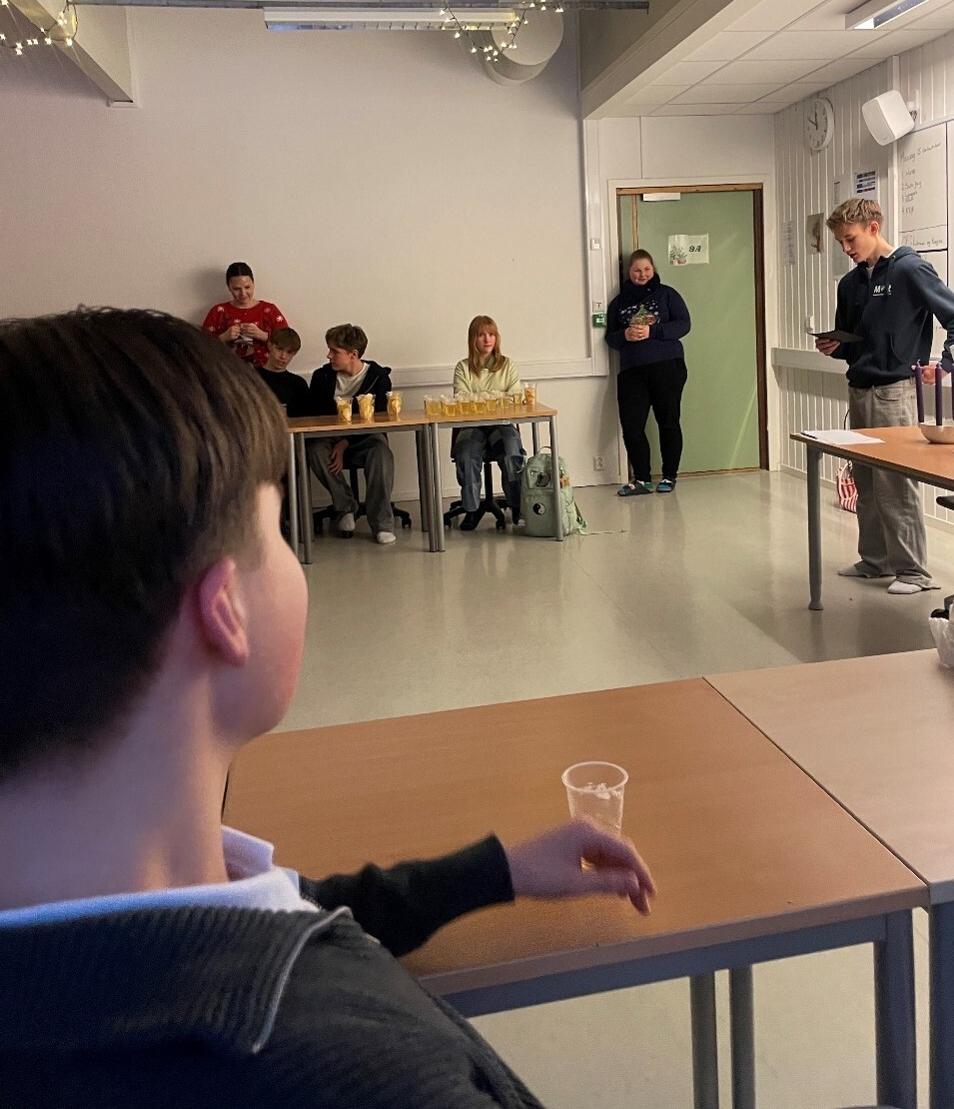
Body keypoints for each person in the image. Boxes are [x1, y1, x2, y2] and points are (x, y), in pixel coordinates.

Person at [0, 307, 656, 1106]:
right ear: (223, 612)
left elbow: (302, 902)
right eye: (276, 528)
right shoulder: (376, 1079)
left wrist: (495, 872)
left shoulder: (120, 911)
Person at [819, 197, 954, 594]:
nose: (846, 248)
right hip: (859, 389)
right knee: (866, 481)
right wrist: (835, 346)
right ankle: (876, 561)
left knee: (895, 483)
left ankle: (913, 572)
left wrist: (945, 364)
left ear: (873, 228)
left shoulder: (910, 269)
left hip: (895, 393)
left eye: (851, 239)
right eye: (840, 242)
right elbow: (853, 343)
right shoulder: (850, 284)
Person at [605, 249, 692, 496]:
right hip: (632, 371)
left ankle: (669, 476)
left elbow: (684, 324)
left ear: (653, 270)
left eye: (646, 269)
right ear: (629, 272)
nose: (642, 274)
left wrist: (652, 332)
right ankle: (642, 479)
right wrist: (625, 334)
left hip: (667, 367)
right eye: (637, 270)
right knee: (632, 425)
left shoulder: (667, 294)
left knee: (668, 421)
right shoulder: (619, 303)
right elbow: (610, 338)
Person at [307, 323, 398, 546]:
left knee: (381, 454)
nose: (329, 356)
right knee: (315, 450)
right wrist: (337, 441)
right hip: (330, 439)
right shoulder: (321, 377)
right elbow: (315, 416)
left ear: (353, 354)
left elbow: (377, 419)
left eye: (334, 351)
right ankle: (345, 507)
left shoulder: (378, 377)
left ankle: (382, 523)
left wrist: (345, 443)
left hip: (366, 438)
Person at [453, 315, 526, 529]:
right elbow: (462, 398)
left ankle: (517, 506)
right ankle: (471, 508)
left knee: (512, 451)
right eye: (481, 335)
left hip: (501, 423)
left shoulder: (508, 365)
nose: (487, 339)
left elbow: (515, 396)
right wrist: (497, 396)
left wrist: (480, 398)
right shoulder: (462, 367)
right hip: (472, 424)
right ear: (472, 339)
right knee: (466, 454)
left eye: (491, 334)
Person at [202, 260, 288, 369]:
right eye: (236, 289)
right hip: (227, 372)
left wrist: (264, 336)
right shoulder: (218, 311)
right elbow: (201, 347)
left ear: (253, 284)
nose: (243, 293)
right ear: (229, 287)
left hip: (265, 374)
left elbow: (288, 343)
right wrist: (223, 337)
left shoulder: (269, 310)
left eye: (247, 287)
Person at [259, 326, 309, 418]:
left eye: (289, 352)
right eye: (279, 349)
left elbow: (304, 419)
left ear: (294, 353)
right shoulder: (252, 377)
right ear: (270, 345)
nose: (283, 356)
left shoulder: (298, 384)